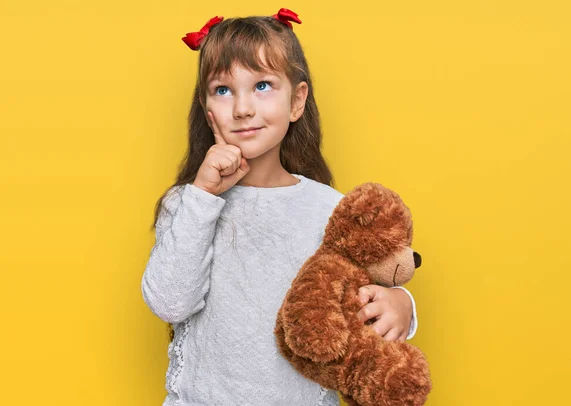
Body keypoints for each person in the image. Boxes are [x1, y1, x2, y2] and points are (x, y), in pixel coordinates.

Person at [141, 8, 420, 406]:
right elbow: (169, 302)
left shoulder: (329, 209)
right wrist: (203, 196)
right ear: (208, 113)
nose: (242, 108)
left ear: (297, 100)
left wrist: (403, 306)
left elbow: (372, 285)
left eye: (262, 85)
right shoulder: (189, 204)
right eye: (223, 90)